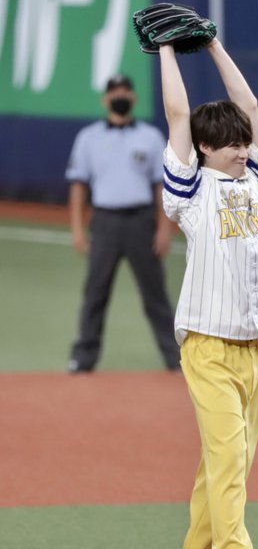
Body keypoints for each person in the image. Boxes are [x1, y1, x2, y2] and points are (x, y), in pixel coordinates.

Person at [158, 38, 258, 549]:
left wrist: (213, 44)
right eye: (232, 143)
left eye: (244, 141)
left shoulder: (253, 180)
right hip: (209, 343)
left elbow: (251, 105)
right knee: (230, 459)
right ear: (205, 148)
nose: (243, 149)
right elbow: (178, 115)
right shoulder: (191, 190)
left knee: (227, 459)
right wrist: (166, 51)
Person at [66, 74, 180, 373]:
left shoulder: (150, 137)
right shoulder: (88, 138)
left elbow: (161, 187)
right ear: (105, 99)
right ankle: (83, 358)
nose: (120, 96)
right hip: (104, 221)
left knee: (155, 294)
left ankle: (176, 358)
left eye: (125, 92)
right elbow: (79, 186)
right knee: (95, 293)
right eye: (114, 92)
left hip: (141, 222)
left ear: (134, 98)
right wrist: (78, 230)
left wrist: (164, 228)